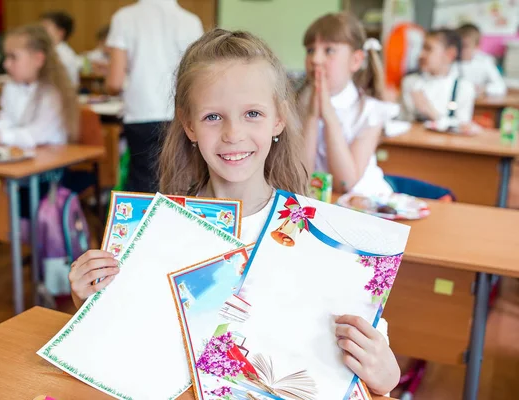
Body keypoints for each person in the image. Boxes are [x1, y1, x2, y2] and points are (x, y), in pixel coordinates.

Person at [69, 29, 400, 396]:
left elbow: (368, 360)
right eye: (213, 117)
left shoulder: (321, 236)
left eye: (252, 113)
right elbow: (128, 343)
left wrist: (384, 373)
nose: (233, 133)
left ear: (279, 119)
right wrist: (93, 303)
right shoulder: (157, 230)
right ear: (188, 124)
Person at [105, 0, 203, 193]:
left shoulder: (124, 17)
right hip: (180, 112)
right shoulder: (190, 21)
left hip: (140, 111)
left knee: (143, 180)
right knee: (180, 177)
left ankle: (143, 222)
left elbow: (114, 82)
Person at [299, 13, 398, 196]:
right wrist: (312, 117)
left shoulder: (371, 112)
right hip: (320, 205)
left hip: (363, 205)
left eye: (329, 50)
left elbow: (344, 183)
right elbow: (299, 177)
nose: (316, 59)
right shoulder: (297, 107)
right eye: (310, 50)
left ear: (356, 61)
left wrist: (328, 114)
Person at [0, 24, 78, 149]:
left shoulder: (53, 91)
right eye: (6, 57)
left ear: (38, 59)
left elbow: (38, 134)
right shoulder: (12, 86)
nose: (6, 64)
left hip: (51, 160)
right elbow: (6, 122)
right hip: (22, 155)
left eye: (13, 57)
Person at [400, 28, 476, 126]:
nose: (421, 54)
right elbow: (402, 121)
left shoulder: (463, 88)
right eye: (422, 48)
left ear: (450, 54)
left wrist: (430, 112)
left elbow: (462, 127)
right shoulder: (410, 82)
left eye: (428, 49)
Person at [457, 23, 506, 97]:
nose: (460, 49)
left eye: (465, 46)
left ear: (476, 46)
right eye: (458, 45)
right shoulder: (450, 60)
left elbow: (501, 87)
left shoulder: (485, 61)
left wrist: (484, 89)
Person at [40, 11, 80, 86]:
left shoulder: (62, 54)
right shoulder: (51, 50)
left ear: (60, 32)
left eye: (45, 27)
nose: (40, 31)